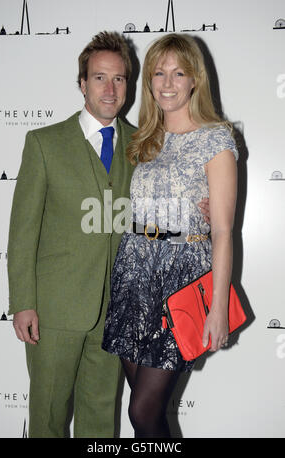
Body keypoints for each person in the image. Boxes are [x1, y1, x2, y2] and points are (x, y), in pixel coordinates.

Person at [102, 33, 238, 438]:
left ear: (195, 79)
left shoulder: (215, 139)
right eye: (159, 73)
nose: (167, 82)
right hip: (133, 272)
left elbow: (225, 231)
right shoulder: (145, 137)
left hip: (181, 278)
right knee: (152, 415)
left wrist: (217, 307)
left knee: (142, 412)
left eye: (179, 73)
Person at [7, 31, 136, 438]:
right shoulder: (44, 144)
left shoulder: (143, 145)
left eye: (118, 79)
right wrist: (23, 302)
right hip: (54, 311)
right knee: (47, 416)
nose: (110, 88)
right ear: (82, 83)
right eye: (99, 77)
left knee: (100, 417)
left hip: (115, 311)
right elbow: (22, 231)